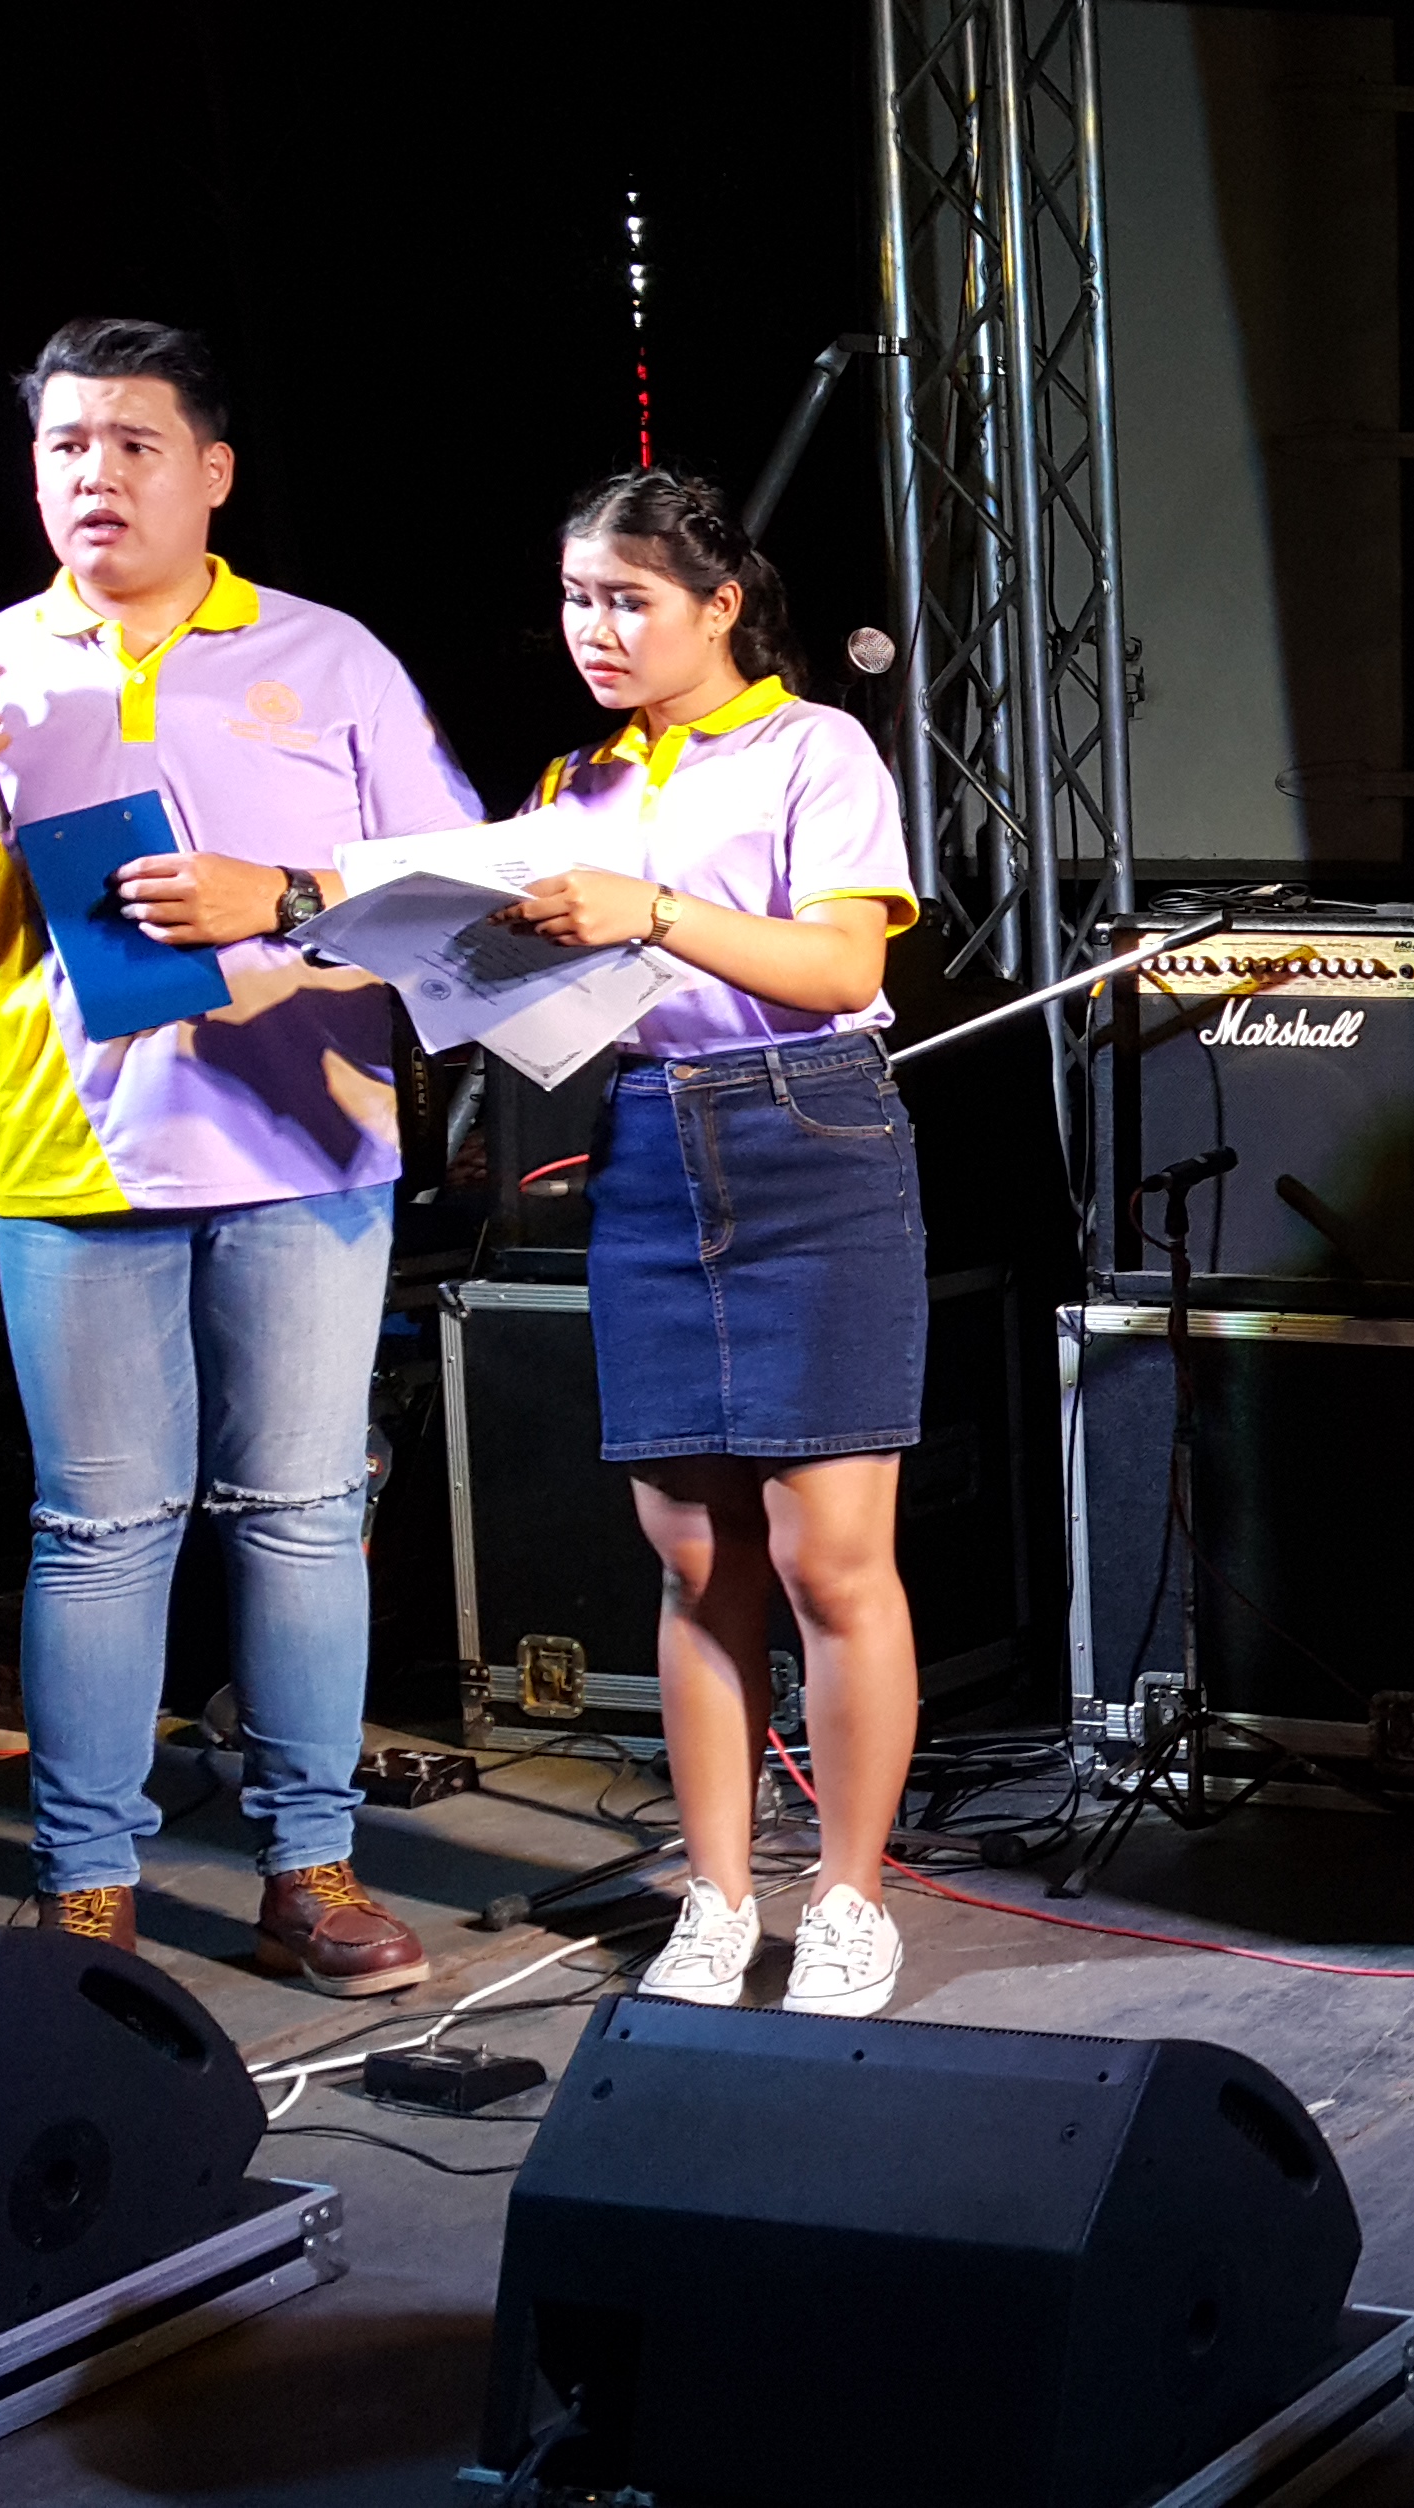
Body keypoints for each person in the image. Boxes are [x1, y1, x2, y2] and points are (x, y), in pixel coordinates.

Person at [0, 317, 476, 1994]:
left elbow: (462, 894)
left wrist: (284, 904)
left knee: (303, 1514)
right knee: (99, 1532)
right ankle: (86, 1892)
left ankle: (309, 1868)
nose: (93, 474)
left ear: (213, 470)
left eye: (132, 442)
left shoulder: (330, 658)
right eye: (64, 446)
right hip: (78, 1160)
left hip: (307, 1150)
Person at [493, 470, 934, 2019]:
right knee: (694, 1557)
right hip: (647, 1149)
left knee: (831, 1557)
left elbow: (840, 967)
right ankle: (719, 1896)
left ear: (720, 604)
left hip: (809, 1135)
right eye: (575, 599)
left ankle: (851, 1898)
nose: (594, 629)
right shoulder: (576, 780)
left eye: (628, 599)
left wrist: (651, 910)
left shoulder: (815, 747)